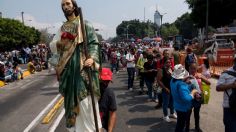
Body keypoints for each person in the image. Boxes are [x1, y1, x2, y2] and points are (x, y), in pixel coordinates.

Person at [57, 0, 102, 131]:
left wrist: (92, 58)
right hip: (69, 70)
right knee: (71, 104)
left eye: (68, 3)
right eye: (63, 5)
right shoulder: (62, 28)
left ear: (74, 5)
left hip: (83, 68)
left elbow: (93, 43)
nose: (66, 7)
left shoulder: (85, 24)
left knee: (86, 104)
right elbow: (58, 50)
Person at [170, 64, 198, 132]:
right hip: (183, 108)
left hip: (177, 105)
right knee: (181, 125)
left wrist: (185, 80)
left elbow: (179, 83)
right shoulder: (181, 84)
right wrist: (193, 92)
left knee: (179, 123)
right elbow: (186, 98)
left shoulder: (172, 80)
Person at [186, 63, 211, 132]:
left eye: (194, 68)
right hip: (189, 98)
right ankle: (186, 128)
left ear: (197, 69)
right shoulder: (186, 76)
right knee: (188, 114)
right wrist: (187, 80)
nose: (192, 70)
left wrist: (201, 78)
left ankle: (197, 127)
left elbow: (209, 83)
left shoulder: (199, 75)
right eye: (191, 68)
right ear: (189, 69)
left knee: (197, 113)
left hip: (198, 98)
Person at [216, 55, 236, 132]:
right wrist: (231, 85)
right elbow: (218, 88)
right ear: (234, 62)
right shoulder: (226, 73)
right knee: (230, 128)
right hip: (229, 107)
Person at [157, 58, 177, 122]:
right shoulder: (161, 70)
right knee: (165, 103)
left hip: (172, 89)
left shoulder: (171, 69)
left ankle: (172, 113)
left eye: (170, 62)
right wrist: (165, 88)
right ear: (163, 63)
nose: (169, 64)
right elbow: (159, 81)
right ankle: (165, 116)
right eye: (167, 62)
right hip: (166, 90)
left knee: (172, 102)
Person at [99, 68, 117, 132]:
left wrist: (110, 130)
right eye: (103, 81)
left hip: (103, 127)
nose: (105, 84)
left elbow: (112, 113)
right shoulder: (89, 92)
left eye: (107, 81)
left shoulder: (109, 93)